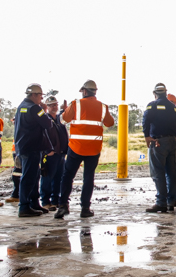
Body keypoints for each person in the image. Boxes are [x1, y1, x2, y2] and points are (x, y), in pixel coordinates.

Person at [55, 80, 114, 219]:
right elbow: (110, 123)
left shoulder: (76, 104)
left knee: (68, 176)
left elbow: (62, 121)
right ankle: (85, 208)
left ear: (85, 91)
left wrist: (63, 111)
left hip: (76, 147)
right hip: (94, 149)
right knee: (88, 178)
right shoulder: (103, 107)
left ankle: (63, 205)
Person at [143, 83, 176, 213]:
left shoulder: (152, 106)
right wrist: (175, 137)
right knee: (171, 172)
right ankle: (172, 201)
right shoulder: (173, 108)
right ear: (166, 93)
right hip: (172, 142)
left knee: (158, 172)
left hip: (158, 141)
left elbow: (145, 120)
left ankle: (161, 203)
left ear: (155, 94)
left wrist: (147, 136)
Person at [14, 83, 53, 217]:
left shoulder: (21, 107)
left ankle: (34, 203)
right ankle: (24, 206)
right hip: (32, 147)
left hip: (24, 146)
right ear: (34, 95)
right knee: (29, 177)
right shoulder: (35, 108)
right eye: (40, 96)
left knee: (33, 175)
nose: (41, 100)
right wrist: (44, 110)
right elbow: (48, 124)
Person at [40, 96, 69, 211]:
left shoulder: (59, 118)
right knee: (47, 177)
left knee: (59, 178)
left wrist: (63, 110)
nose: (54, 107)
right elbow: (42, 135)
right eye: (51, 105)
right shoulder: (45, 119)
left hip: (61, 153)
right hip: (51, 153)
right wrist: (47, 151)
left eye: (55, 105)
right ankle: (45, 201)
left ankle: (55, 200)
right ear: (47, 107)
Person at [5, 138, 21, 203]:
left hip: (18, 149)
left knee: (18, 172)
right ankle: (17, 195)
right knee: (19, 172)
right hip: (20, 150)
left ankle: (16, 194)